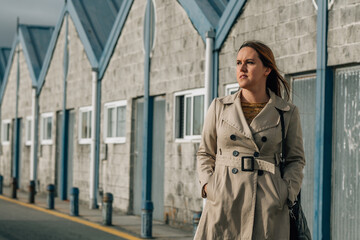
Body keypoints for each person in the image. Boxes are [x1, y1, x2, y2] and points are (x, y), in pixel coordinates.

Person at [194, 41, 305, 239]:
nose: (241, 68)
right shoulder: (220, 107)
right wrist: (209, 187)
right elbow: (205, 152)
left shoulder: (286, 111)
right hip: (224, 199)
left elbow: (296, 159)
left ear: (267, 69)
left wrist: (286, 192)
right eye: (238, 63)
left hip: (267, 202)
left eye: (250, 62)